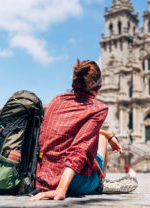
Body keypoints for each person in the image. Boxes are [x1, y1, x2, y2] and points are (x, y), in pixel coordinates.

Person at [31, 60, 123, 201]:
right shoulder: (98, 108)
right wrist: (62, 189)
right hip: (73, 183)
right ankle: (99, 184)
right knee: (101, 140)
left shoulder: (56, 100)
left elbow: (67, 133)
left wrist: (108, 133)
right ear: (98, 88)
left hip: (44, 178)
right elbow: (79, 149)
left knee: (102, 136)